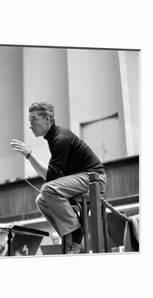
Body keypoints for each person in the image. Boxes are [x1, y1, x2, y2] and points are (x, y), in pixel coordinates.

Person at [10, 102, 106, 254]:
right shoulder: (53, 139)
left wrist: (29, 155)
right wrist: (29, 155)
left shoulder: (60, 139)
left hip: (94, 179)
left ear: (48, 119)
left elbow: (50, 182)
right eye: (29, 121)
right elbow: (51, 178)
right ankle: (70, 235)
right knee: (41, 200)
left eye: (33, 119)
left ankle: (76, 235)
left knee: (47, 190)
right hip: (81, 179)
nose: (30, 125)